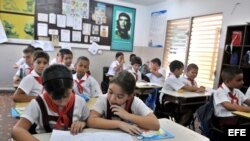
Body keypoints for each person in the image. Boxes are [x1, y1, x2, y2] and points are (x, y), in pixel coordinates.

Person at [11, 65, 90, 140]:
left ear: (72, 85)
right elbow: (17, 130)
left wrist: (83, 123)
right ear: (46, 90)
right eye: (56, 98)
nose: (62, 102)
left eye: (66, 96)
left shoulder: (80, 102)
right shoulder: (38, 103)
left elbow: (89, 121)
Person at [87, 70, 159, 135]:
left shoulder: (135, 102)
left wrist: (127, 115)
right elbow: (90, 121)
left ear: (129, 96)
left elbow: (155, 124)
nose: (112, 99)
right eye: (110, 92)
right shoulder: (103, 99)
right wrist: (119, 124)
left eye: (120, 96)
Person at [159, 60, 204, 126]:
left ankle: (180, 125)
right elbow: (187, 87)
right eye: (182, 70)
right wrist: (199, 89)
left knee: (191, 108)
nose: (182, 72)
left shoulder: (176, 78)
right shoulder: (172, 78)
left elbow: (185, 88)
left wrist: (197, 89)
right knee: (188, 111)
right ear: (177, 70)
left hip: (174, 101)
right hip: (167, 103)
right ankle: (179, 127)